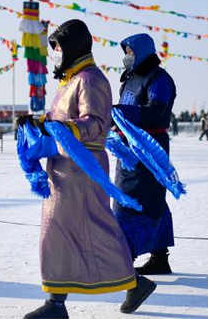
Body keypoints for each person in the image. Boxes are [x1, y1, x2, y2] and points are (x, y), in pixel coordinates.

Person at [21, 19, 154, 319]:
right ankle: (63, 300)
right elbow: (60, 120)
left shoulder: (91, 80)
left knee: (88, 230)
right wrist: (38, 124)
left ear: (72, 46)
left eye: (56, 47)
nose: (54, 54)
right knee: (61, 233)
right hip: (63, 168)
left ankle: (60, 303)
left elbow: (95, 123)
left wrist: (60, 128)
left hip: (83, 169)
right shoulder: (70, 81)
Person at [112, 34, 177, 276]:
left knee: (137, 201)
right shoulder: (129, 80)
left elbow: (157, 112)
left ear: (142, 51)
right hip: (128, 149)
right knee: (148, 201)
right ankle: (159, 256)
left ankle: (123, 256)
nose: (127, 56)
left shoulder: (159, 79)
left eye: (130, 51)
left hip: (149, 148)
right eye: (125, 51)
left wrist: (121, 113)